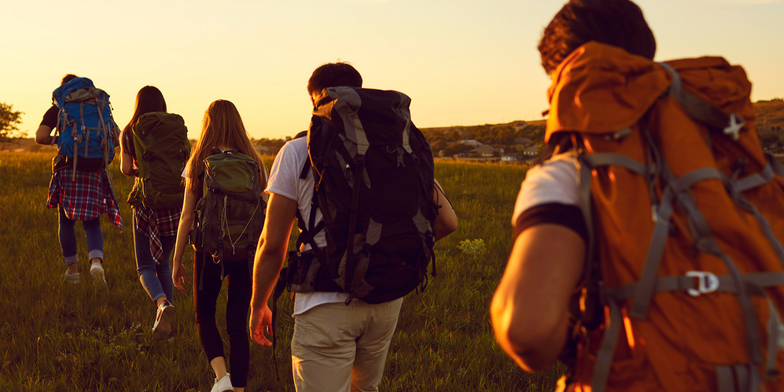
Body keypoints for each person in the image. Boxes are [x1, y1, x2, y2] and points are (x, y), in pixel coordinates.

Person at [491, 1, 784, 391]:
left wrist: (579, 338)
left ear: (567, 79)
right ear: (644, 58)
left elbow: (526, 331)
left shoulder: (567, 172)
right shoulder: (744, 163)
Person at [248, 62, 458, 392]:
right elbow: (447, 221)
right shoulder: (396, 147)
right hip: (386, 296)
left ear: (316, 100)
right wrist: (392, 254)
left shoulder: (295, 151)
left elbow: (272, 245)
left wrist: (258, 304)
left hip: (324, 300)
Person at [171, 99, 267, 392]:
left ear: (208, 123)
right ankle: (238, 390)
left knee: (204, 315)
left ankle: (221, 378)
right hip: (247, 252)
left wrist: (176, 261)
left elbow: (187, 215)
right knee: (237, 323)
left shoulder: (200, 160)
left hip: (208, 251)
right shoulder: (255, 161)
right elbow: (266, 210)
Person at [35, 74, 122, 287]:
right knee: (92, 221)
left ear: (64, 89)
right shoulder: (98, 105)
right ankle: (96, 263)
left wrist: (66, 139)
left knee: (66, 221)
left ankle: (73, 273)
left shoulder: (61, 106)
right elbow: (117, 138)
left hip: (67, 167)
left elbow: (40, 136)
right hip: (94, 169)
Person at [120, 86, 185, 339]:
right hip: (175, 204)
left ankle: (161, 304)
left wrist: (143, 172)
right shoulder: (175, 128)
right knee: (164, 264)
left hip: (147, 204)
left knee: (145, 265)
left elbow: (126, 169)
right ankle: (167, 330)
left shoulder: (130, 131)